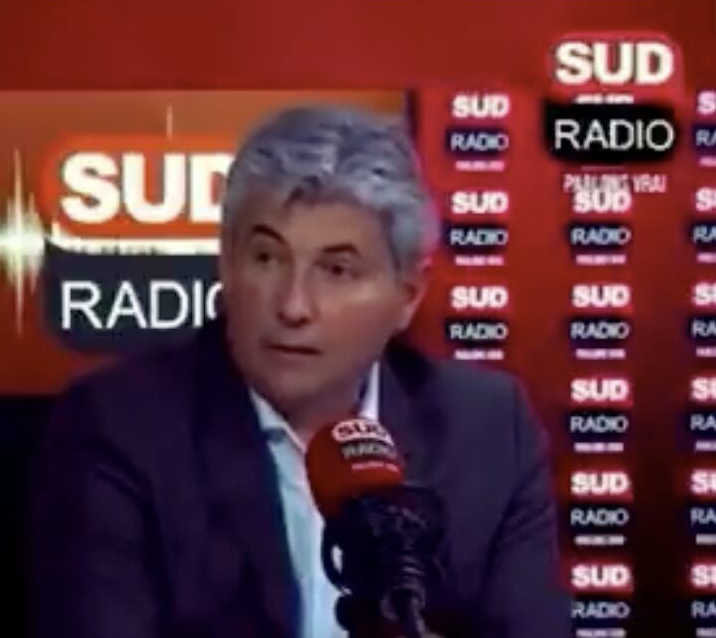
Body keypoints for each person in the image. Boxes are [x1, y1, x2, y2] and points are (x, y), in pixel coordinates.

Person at [30, 105, 571, 637]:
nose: (292, 306)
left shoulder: (488, 433)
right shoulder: (121, 427)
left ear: (408, 295)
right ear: (226, 265)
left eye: (337, 270)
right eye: (267, 259)